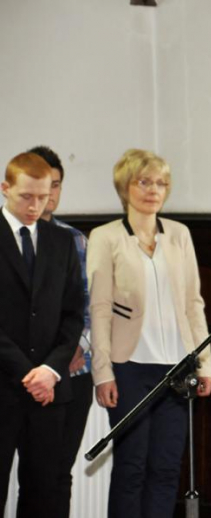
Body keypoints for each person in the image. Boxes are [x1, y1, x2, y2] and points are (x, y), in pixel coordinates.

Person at [88, 149, 211, 518]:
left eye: (161, 183)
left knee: (165, 467)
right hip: (128, 368)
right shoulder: (105, 237)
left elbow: (194, 303)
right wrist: (103, 372)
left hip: (176, 368)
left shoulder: (179, 234)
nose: (153, 190)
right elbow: (98, 309)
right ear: (125, 187)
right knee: (132, 466)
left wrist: (204, 364)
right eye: (144, 182)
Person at [0, 152, 84, 517]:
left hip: (49, 392)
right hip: (2, 386)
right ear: (5, 189)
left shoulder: (61, 241)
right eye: (26, 197)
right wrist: (27, 371)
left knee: (45, 494)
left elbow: (72, 313)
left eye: (45, 195)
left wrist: (49, 370)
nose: (37, 205)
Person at [28, 145, 92, 518]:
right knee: (32, 476)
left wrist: (76, 346)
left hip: (73, 370)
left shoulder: (74, 239)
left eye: (56, 185)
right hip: (26, 370)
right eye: (40, 185)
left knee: (58, 474)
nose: (48, 195)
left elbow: (85, 302)